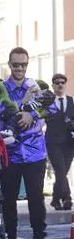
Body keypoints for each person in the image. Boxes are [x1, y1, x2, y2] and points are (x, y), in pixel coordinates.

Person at [0, 47, 52, 239]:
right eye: (16, 65)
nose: (19, 68)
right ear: (9, 64)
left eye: (23, 65)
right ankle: (11, 238)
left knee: (36, 197)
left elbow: (52, 108)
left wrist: (32, 115)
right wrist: (22, 107)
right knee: (8, 197)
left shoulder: (37, 87)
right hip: (10, 151)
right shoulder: (0, 88)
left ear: (27, 64)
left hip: (35, 151)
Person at [45, 73, 74, 211]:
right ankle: (67, 198)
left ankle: (56, 199)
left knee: (63, 172)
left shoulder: (71, 101)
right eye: (57, 82)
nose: (60, 84)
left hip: (69, 143)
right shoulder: (48, 102)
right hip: (53, 142)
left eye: (62, 82)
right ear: (53, 85)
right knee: (61, 170)